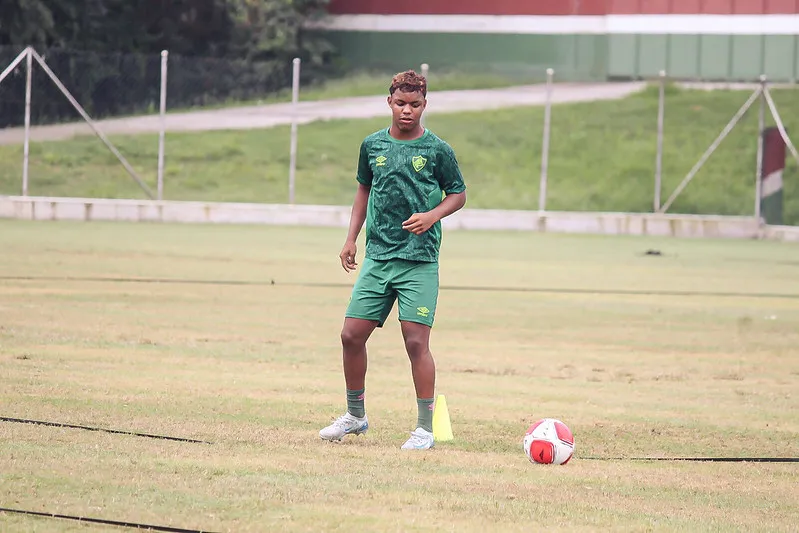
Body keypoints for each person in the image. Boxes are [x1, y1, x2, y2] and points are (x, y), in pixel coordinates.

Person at [319, 70, 467, 450]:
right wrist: (351, 238)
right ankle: (355, 416)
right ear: (389, 102)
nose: (407, 111)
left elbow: (458, 194)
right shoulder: (371, 145)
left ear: (424, 105)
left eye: (414, 105)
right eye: (400, 103)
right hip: (378, 257)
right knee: (350, 335)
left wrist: (432, 215)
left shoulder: (437, 150)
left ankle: (424, 429)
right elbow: (362, 192)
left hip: (419, 260)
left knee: (416, 342)